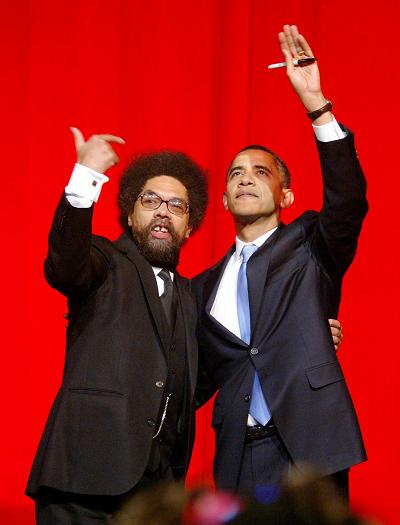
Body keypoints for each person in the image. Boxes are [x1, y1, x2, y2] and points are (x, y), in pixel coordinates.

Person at [191, 25, 368, 503]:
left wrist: (316, 105)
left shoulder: (311, 243)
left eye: (260, 172)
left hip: (311, 446)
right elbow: (195, 375)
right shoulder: (201, 287)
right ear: (224, 199)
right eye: (236, 174)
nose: (245, 179)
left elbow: (349, 200)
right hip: (238, 454)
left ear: (286, 195)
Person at [25, 130, 208, 524]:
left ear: (190, 226)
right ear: (129, 214)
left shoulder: (190, 297)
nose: (163, 211)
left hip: (155, 496)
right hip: (82, 486)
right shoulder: (105, 262)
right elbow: (65, 262)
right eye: (150, 200)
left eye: (177, 205)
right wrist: (86, 176)